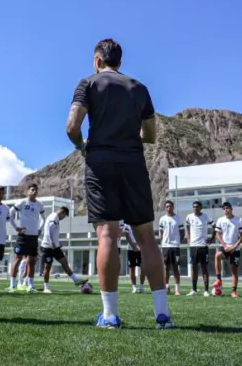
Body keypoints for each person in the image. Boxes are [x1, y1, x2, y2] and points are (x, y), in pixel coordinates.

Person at [65, 38, 174, 329]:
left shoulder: (87, 84)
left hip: (100, 162)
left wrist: (81, 146)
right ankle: (162, 314)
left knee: (107, 236)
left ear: (98, 60)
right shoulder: (139, 87)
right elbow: (150, 136)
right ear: (120, 62)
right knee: (147, 237)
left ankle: (110, 315)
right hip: (133, 163)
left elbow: (72, 126)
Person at [40, 206, 89, 292]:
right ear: (62, 212)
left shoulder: (56, 219)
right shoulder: (53, 217)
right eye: (65, 216)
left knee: (64, 262)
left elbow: (54, 233)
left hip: (55, 246)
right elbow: (48, 231)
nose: (64, 218)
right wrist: (52, 243)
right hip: (48, 247)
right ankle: (46, 287)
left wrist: (58, 243)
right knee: (47, 267)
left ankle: (76, 280)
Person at [8, 183, 45, 292]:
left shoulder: (40, 204)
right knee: (17, 259)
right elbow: (10, 214)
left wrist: (39, 229)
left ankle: (30, 286)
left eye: (36, 190)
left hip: (33, 236)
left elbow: (43, 218)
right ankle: (12, 285)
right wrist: (17, 228)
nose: (34, 191)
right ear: (28, 191)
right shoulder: (22, 202)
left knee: (31, 261)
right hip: (23, 236)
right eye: (32, 189)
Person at [213, 202, 242, 298]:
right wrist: (224, 245)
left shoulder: (238, 220)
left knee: (234, 270)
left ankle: (234, 291)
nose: (226, 210)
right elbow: (217, 233)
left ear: (231, 209)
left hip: (235, 248)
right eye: (224, 208)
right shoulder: (220, 220)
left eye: (227, 208)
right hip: (225, 246)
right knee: (217, 256)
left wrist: (234, 247)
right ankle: (219, 279)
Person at [184, 201, 213, 296]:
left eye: (197, 206)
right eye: (193, 207)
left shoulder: (206, 216)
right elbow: (187, 226)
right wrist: (188, 238)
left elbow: (215, 227)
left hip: (203, 246)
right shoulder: (189, 217)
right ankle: (194, 290)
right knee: (194, 268)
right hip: (193, 246)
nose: (195, 208)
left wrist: (211, 239)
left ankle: (206, 291)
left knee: (204, 268)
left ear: (201, 207)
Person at [158, 201, 183, 296]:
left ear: (173, 207)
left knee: (176, 268)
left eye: (170, 206)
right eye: (167, 206)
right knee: (166, 268)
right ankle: (166, 286)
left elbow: (182, 232)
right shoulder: (162, 219)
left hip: (175, 246)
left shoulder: (178, 218)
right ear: (165, 208)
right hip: (165, 246)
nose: (168, 208)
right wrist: (163, 242)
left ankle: (177, 289)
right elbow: (161, 232)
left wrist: (178, 241)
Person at [124, 222, 146, 293]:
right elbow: (127, 236)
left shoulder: (141, 222)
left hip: (141, 248)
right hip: (131, 249)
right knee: (132, 268)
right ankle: (134, 287)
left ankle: (141, 286)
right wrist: (133, 246)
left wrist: (140, 245)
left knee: (143, 267)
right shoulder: (127, 223)